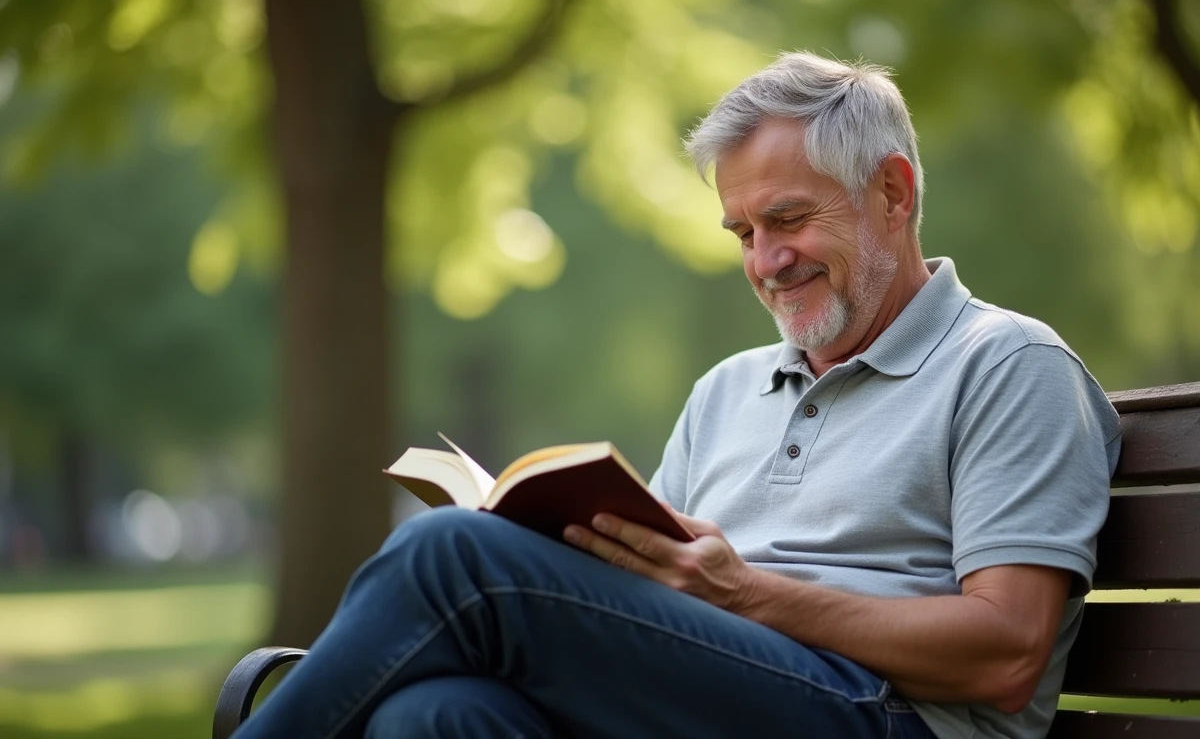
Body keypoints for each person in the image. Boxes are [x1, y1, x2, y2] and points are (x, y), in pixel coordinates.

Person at [234, 52, 1120, 739]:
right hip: (726, 700)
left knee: (448, 557)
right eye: (742, 232)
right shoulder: (728, 389)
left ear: (892, 192)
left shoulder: (1007, 365)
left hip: (886, 716)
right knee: (435, 718)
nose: (766, 263)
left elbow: (1007, 655)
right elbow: (665, 606)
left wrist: (746, 593)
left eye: (788, 219)